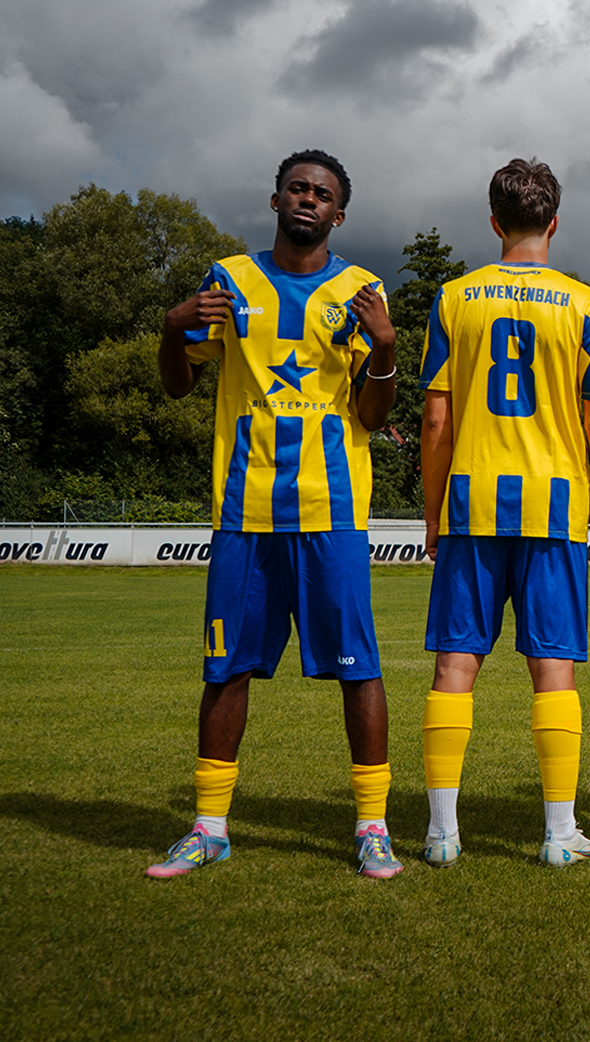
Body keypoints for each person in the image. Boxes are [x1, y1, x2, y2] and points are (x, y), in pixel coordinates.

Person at [148, 149, 403, 879]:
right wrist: (171, 328)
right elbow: (178, 386)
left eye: (322, 193)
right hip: (245, 512)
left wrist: (385, 348)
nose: (308, 199)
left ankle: (372, 827)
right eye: (297, 188)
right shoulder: (229, 279)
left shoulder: (361, 289)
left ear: (338, 214)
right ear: (276, 200)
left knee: (359, 670)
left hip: (332, 512)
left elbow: (372, 414)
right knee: (226, 669)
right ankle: (209, 827)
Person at [417, 158, 590, 868]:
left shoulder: (454, 299)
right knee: (553, 667)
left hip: (472, 504)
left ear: (494, 221)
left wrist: (433, 515)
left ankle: (442, 833)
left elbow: (436, 419)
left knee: (455, 664)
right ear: (554, 223)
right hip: (553, 507)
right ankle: (559, 834)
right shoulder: (583, 303)